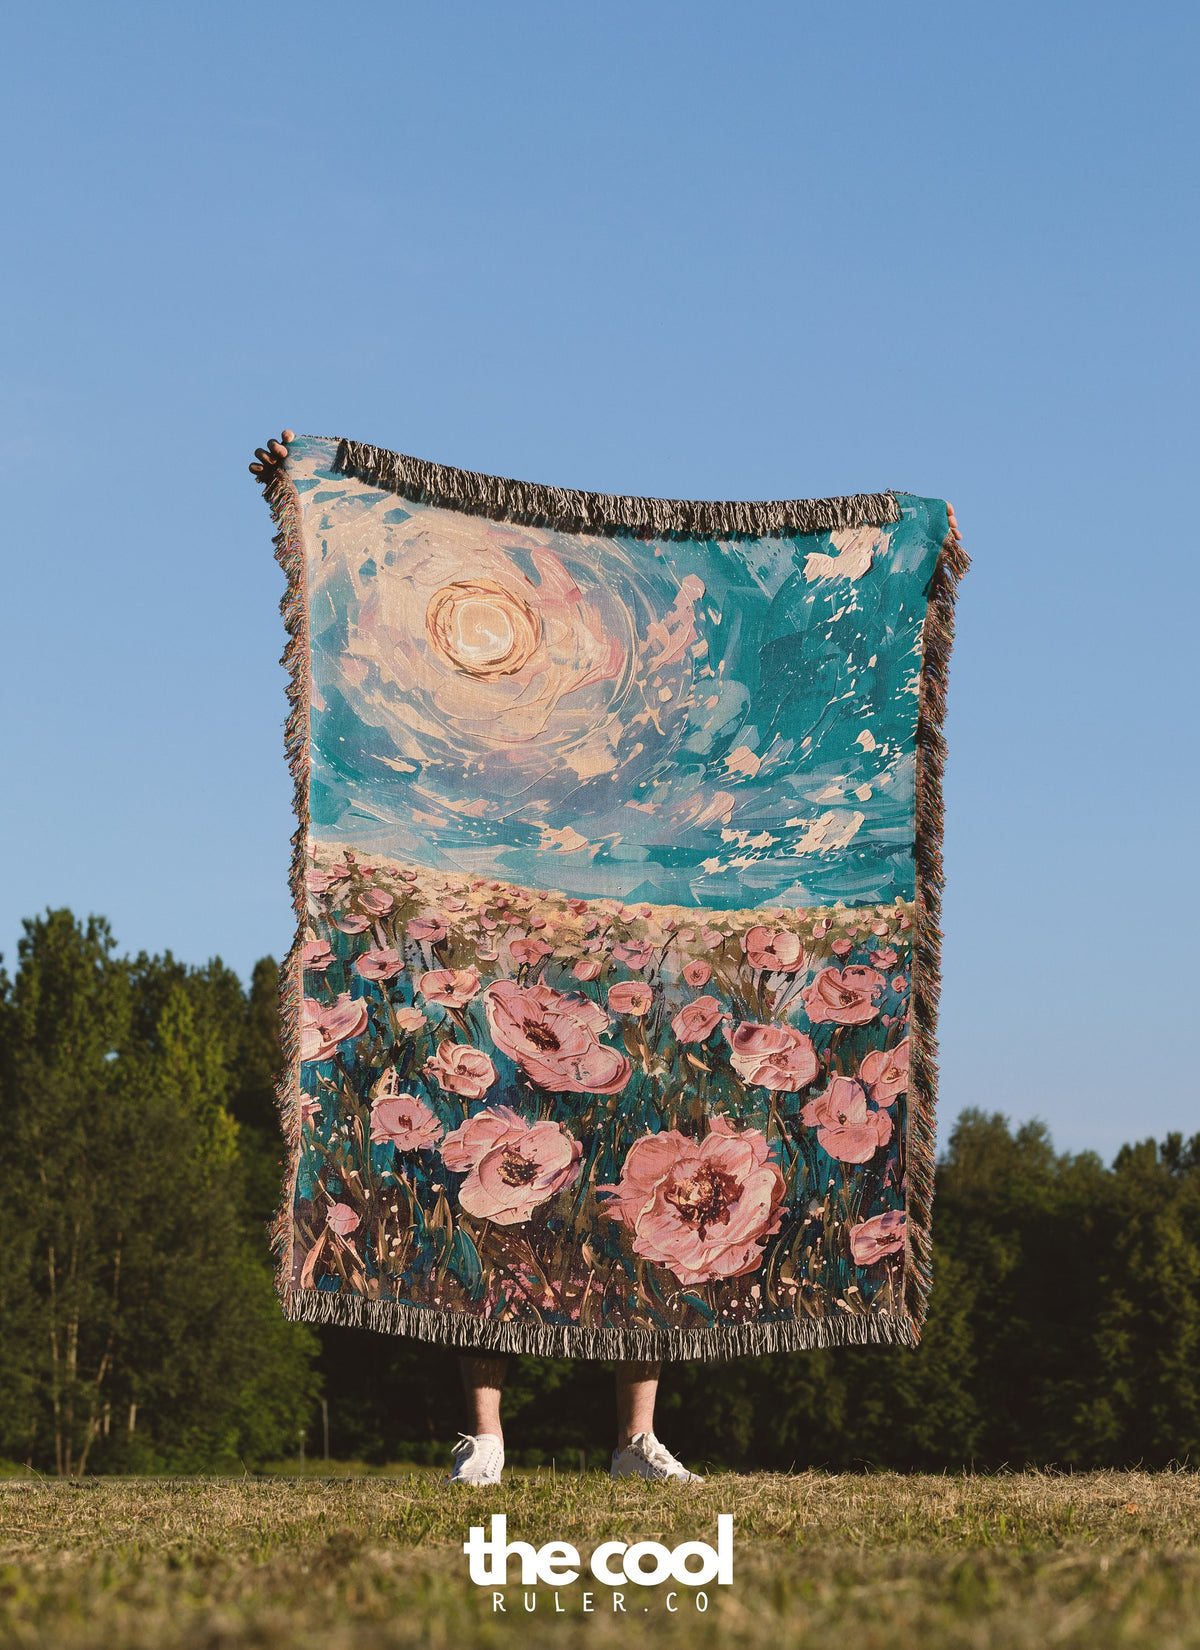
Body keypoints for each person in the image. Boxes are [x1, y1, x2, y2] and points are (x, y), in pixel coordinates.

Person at [250, 431, 965, 1487]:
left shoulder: (656, 763)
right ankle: (484, 1438)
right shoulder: (516, 762)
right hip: (516, 960)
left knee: (664, 1198)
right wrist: (303, 472)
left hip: (630, 972)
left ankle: (635, 1440)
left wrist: (912, 542)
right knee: (483, 1191)